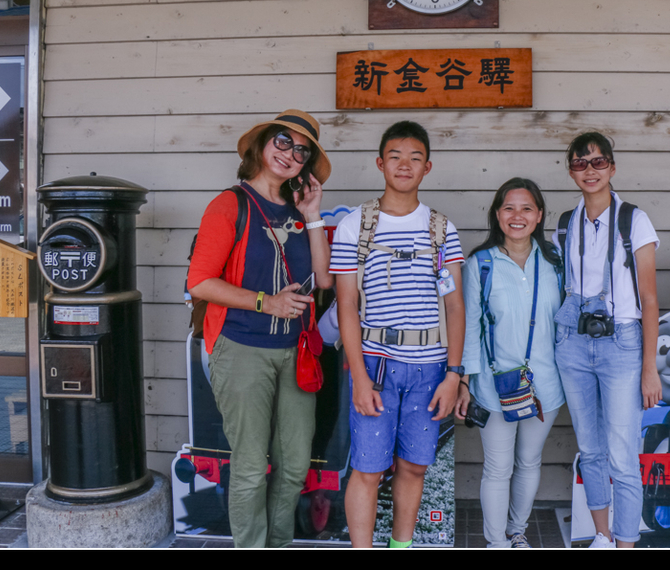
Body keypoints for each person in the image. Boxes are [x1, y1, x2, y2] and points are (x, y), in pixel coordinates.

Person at [186, 109, 333, 548]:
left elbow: (324, 280)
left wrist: (313, 214)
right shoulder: (229, 204)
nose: (290, 153)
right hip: (242, 347)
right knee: (250, 466)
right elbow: (200, 281)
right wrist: (266, 302)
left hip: (297, 353)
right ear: (262, 144)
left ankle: (279, 544)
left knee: (293, 465)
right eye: (283, 142)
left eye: (301, 150)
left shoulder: (300, 210)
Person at [331, 121, 465, 548]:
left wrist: (454, 374)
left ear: (428, 166)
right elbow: (347, 305)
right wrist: (359, 376)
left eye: (414, 157)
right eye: (395, 156)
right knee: (368, 469)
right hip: (375, 365)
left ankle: (401, 545)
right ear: (379, 163)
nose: (404, 165)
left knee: (414, 466)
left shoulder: (442, 230)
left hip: (430, 368)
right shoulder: (356, 226)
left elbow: (455, 305)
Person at [552, 132, 661, 549]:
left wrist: (649, 368)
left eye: (598, 162)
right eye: (581, 164)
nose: (590, 171)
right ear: (571, 172)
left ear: (612, 167)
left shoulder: (635, 220)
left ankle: (626, 542)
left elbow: (650, 300)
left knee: (622, 456)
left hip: (622, 344)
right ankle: (601, 535)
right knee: (591, 450)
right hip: (575, 343)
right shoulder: (565, 223)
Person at [456, 178, 565, 548]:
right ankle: (495, 542)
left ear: (538, 216)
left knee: (530, 462)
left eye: (526, 208)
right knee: (498, 468)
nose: (517, 216)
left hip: (545, 385)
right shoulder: (480, 264)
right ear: (497, 214)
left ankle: (516, 533)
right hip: (493, 384)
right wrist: (465, 383)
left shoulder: (555, 262)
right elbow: (469, 327)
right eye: (509, 208)